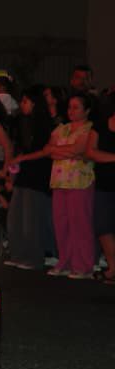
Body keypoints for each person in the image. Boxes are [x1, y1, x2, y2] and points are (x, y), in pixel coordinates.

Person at [4, 86, 58, 270]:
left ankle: (34, 257)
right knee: (15, 217)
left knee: (31, 219)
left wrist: (22, 158)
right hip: (24, 173)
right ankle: (18, 254)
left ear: (34, 103)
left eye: (25, 101)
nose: (22, 105)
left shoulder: (43, 123)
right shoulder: (23, 122)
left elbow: (44, 151)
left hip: (37, 173)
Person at [45, 93, 97, 279]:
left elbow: (79, 149)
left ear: (87, 110)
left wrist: (62, 151)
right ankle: (65, 261)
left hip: (80, 181)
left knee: (80, 223)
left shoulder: (89, 129)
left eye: (76, 107)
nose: (71, 111)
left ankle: (83, 265)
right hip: (60, 180)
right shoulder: (62, 128)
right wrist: (66, 152)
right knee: (61, 223)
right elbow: (49, 150)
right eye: (70, 107)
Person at [85, 99, 115, 284]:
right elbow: (90, 152)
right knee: (103, 226)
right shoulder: (101, 125)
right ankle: (113, 267)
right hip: (104, 182)